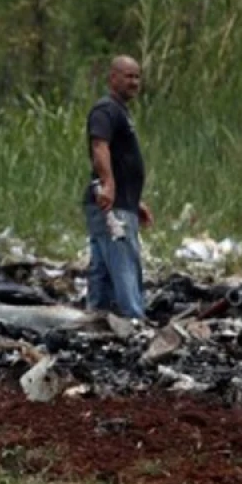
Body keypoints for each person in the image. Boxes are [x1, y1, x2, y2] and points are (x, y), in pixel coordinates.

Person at [83, 55, 153, 319]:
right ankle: (133, 319)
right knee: (124, 262)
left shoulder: (120, 111)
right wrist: (108, 183)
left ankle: (98, 317)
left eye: (137, 77)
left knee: (102, 264)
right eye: (128, 76)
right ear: (113, 78)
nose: (134, 82)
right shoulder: (106, 110)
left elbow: (122, 159)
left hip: (122, 202)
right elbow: (99, 145)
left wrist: (134, 201)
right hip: (111, 204)